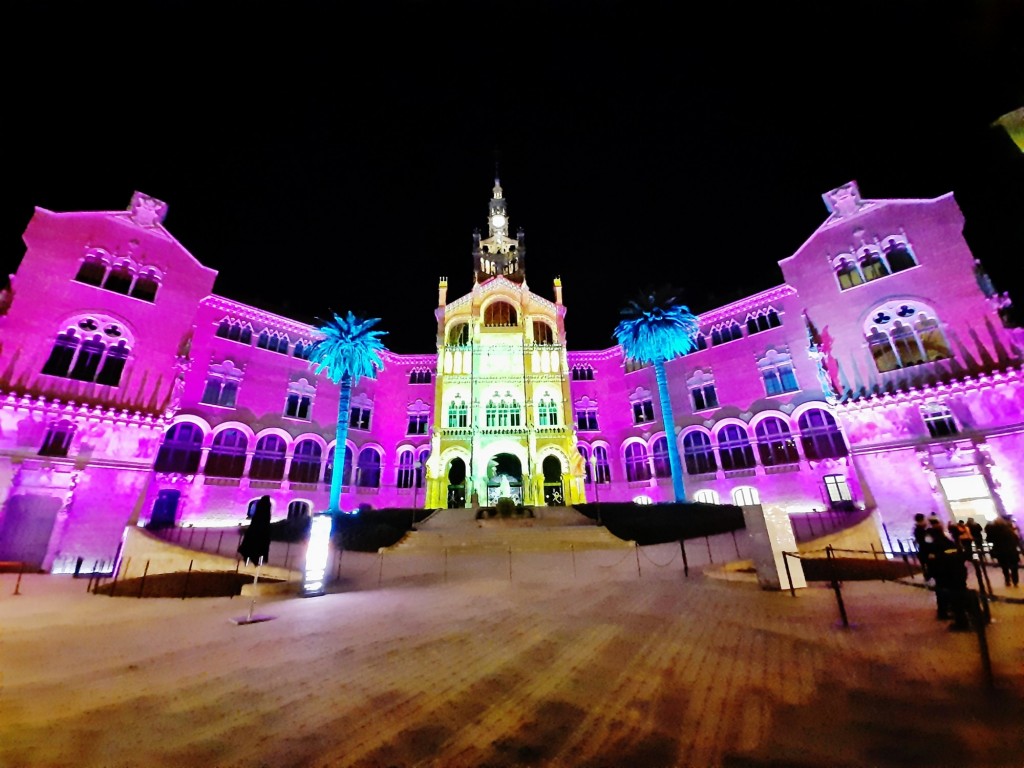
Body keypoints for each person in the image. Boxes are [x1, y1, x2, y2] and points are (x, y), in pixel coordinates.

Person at [985, 514, 1021, 587]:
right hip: (1012, 551)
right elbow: (1016, 539)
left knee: (1004, 567)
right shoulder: (1009, 530)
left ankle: (1007, 580)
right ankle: (1015, 581)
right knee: (1014, 567)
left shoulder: (993, 531)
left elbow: (989, 540)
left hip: (1000, 551)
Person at [239, 495, 273, 566]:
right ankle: (255, 561)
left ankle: (248, 560)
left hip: (255, 529)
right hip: (262, 531)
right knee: (259, 546)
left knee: (250, 544)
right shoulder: (266, 510)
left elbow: (254, 517)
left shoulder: (259, 507)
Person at [911, 513, 931, 580]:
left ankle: (928, 576)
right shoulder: (920, 530)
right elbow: (925, 540)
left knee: (926, 565)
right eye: (924, 519)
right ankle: (928, 577)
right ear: (921, 520)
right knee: (928, 565)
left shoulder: (918, 529)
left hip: (923, 549)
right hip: (925, 550)